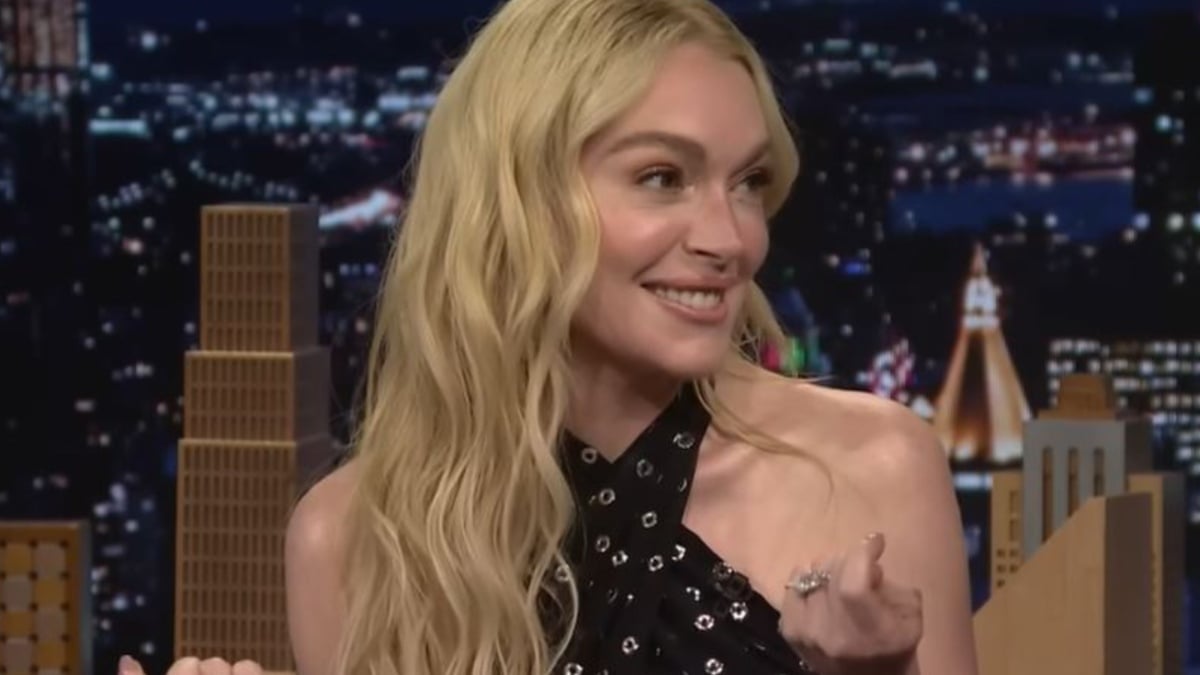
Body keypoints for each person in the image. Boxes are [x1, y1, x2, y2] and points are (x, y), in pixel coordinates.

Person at [120, 0, 978, 673]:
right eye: (662, 176)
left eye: (747, 181)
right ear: (519, 203)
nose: (730, 238)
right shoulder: (349, 540)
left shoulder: (871, 467)